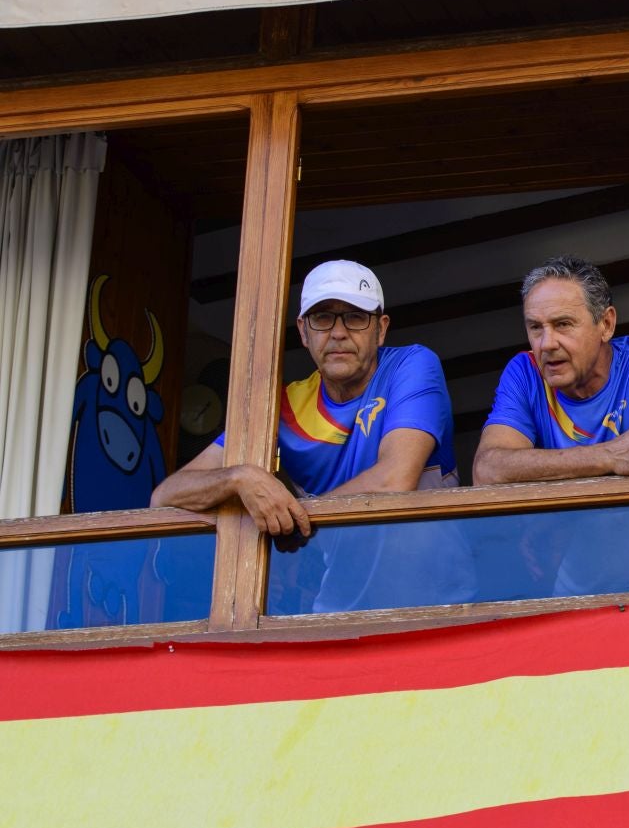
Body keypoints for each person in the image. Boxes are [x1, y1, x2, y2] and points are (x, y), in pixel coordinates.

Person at [152, 259, 475, 613]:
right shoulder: (285, 406)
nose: (338, 333)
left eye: (355, 317)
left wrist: (296, 514)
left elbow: (394, 479)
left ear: (380, 330)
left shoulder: (411, 365)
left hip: (440, 606)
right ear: (304, 332)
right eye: (323, 318)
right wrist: (239, 478)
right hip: (339, 614)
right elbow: (165, 497)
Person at [474, 254, 629, 594]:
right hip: (585, 589)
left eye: (563, 324)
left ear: (606, 324)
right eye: (535, 327)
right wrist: (612, 456)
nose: (546, 344)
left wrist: (551, 509)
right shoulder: (523, 373)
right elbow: (488, 470)